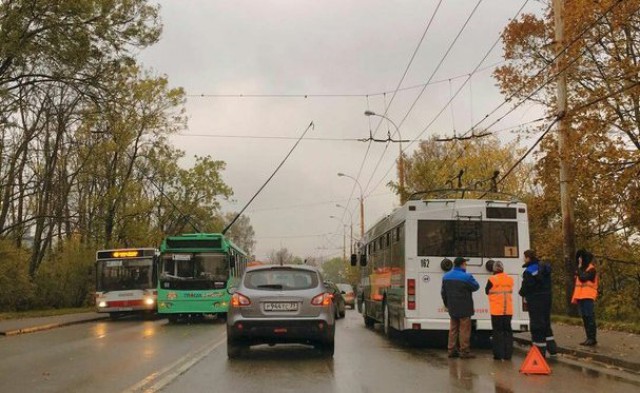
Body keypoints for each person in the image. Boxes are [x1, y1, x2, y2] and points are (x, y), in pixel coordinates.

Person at [518, 249, 558, 357]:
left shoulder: (529, 271)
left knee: (536, 325)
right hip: (547, 298)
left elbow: (527, 287)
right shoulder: (544, 267)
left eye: (524, 257)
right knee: (546, 322)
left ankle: (539, 351)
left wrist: (521, 293)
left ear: (528, 258)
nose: (523, 259)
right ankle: (552, 348)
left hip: (535, 300)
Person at [441, 256, 480, 359]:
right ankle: (464, 351)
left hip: (452, 306)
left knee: (453, 328)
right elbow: (476, 286)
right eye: (465, 264)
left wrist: (447, 304)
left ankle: (451, 350)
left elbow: (443, 293)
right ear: (462, 264)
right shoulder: (466, 277)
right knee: (464, 329)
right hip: (465, 306)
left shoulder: (446, 277)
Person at [485, 260, 514, 360]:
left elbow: (486, 291)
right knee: (508, 332)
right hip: (508, 311)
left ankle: (498, 354)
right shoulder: (510, 279)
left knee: (497, 332)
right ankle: (508, 355)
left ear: (494, 269)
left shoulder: (492, 279)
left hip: (496, 311)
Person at [571, 249, 598, 346]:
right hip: (581, 297)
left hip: (588, 296)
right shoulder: (582, 269)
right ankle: (588, 338)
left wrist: (578, 269)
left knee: (589, 317)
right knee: (585, 318)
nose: (579, 260)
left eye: (581, 258)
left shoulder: (591, 269)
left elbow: (583, 278)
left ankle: (592, 338)